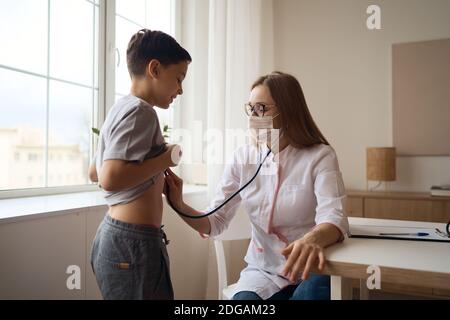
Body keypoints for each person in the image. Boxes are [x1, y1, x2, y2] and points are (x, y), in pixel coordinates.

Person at [164, 71, 349, 300]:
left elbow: (334, 218)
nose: (253, 116)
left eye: (261, 108)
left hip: (312, 269)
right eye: (250, 108)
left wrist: (310, 240)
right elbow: (215, 221)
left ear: (288, 111)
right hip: (264, 272)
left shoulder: (320, 156)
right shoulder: (243, 158)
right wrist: (178, 204)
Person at [88, 29, 191, 300]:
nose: (180, 90)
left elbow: (94, 171)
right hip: (132, 244)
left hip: (119, 239)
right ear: (154, 68)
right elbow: (109, 178)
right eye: (178, 79)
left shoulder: (120, 109)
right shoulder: (141, 111)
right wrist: (164, 159)